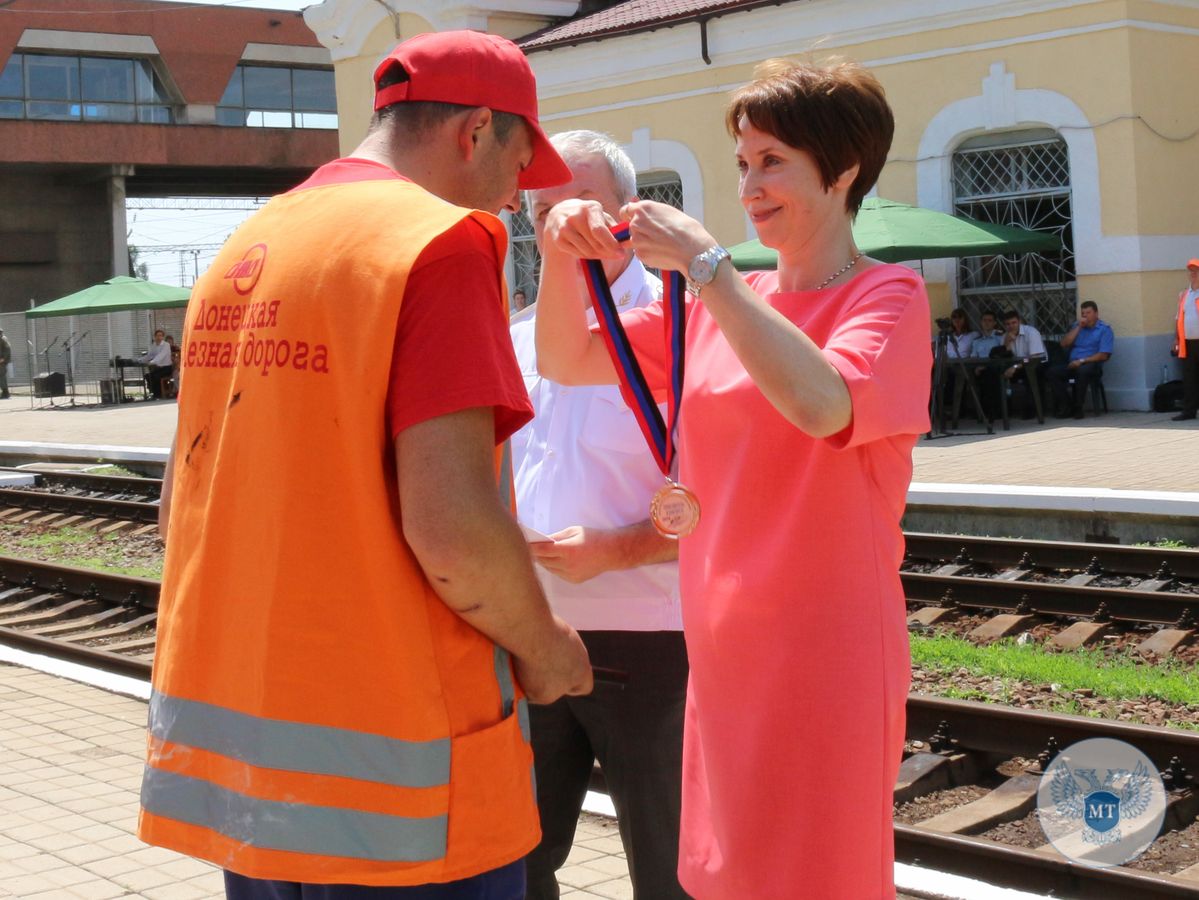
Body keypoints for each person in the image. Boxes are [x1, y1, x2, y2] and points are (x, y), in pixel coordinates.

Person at [139, 30, 592, 900]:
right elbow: (452, 528)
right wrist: (546, 649)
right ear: (475, 132)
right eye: (516, 169)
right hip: (404, 796)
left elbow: (181, 506)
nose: (510, 201)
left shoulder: (249, 243)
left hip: (255, 792)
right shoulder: (441, 244)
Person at [535, 59, 930, 899]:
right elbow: (568, 358)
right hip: (718, 642)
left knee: (819, 872)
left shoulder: (886, 296)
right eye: (743, 163)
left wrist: (707, 266)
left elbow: (823, 403)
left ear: (846, 167)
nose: (749, 184)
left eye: (773, 160)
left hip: (824, 649)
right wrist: (556, 251)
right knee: (729, 873)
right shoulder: (719, 301)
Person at [511, 130, 687, 900]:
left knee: (669, 864)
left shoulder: (685, 327)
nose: (562, 226)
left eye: (579, 205)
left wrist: (618, 549)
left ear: (629, 211)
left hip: (649, 642)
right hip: (529, 634)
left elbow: (724, 499)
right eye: (543, 211)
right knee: (515, 862)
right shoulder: (514, 341)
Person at [1047, 300, 1113, 418]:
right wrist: (1078, 328)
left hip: (1092, 364)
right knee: (1053, 372)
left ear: (1096, 314)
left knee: (1082, 371)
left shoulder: (1104, 329)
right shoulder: (1076, 326)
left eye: (1088, 313)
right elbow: (1063, 344)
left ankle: (1078, 407)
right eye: (1083, 313)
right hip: (1073, 363)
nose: (1085, 316)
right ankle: (1067, 404)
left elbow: (1104, 354)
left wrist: (1082, 361)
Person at [1172, 258, 1199, 421]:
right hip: (1187, 343)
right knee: (1189, 379)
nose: (1193, 274)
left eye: (1196, 271)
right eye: (1191, 271)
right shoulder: (1184, 295)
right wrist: (1176, 339)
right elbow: (1178, 318)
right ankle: (1189, 411)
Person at [140, 328, 173, 399]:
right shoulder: (154, 345)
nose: (159, 337)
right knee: (148, 376)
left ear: (163, 337)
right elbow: (149, 355)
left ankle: (159, 394)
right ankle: (154, 393)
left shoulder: (166, 345)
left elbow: (161, 356)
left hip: (167, 368)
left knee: (156, 376)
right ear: (154, 337)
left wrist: (152, 362)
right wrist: (140, 360)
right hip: (158, 368)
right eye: (157, 336)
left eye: (161, 336)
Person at [0, 327, 11, 399]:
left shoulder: (3, 339)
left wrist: (3, 358)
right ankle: (4, 392)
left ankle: (5, 393)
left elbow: (7, 349)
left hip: (1, 362)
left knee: (2, 376)